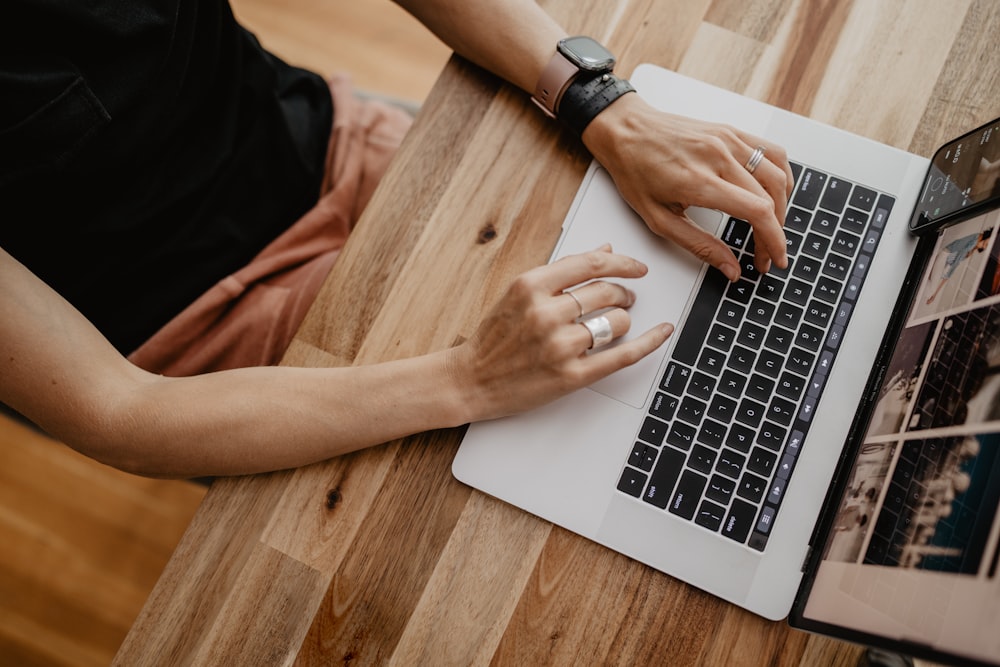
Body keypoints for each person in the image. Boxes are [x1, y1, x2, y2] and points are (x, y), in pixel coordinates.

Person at [0, 0, 792, 478]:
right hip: (202, 337)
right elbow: (118, 414)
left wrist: (597, 102)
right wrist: (470, 380)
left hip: (321, 136)